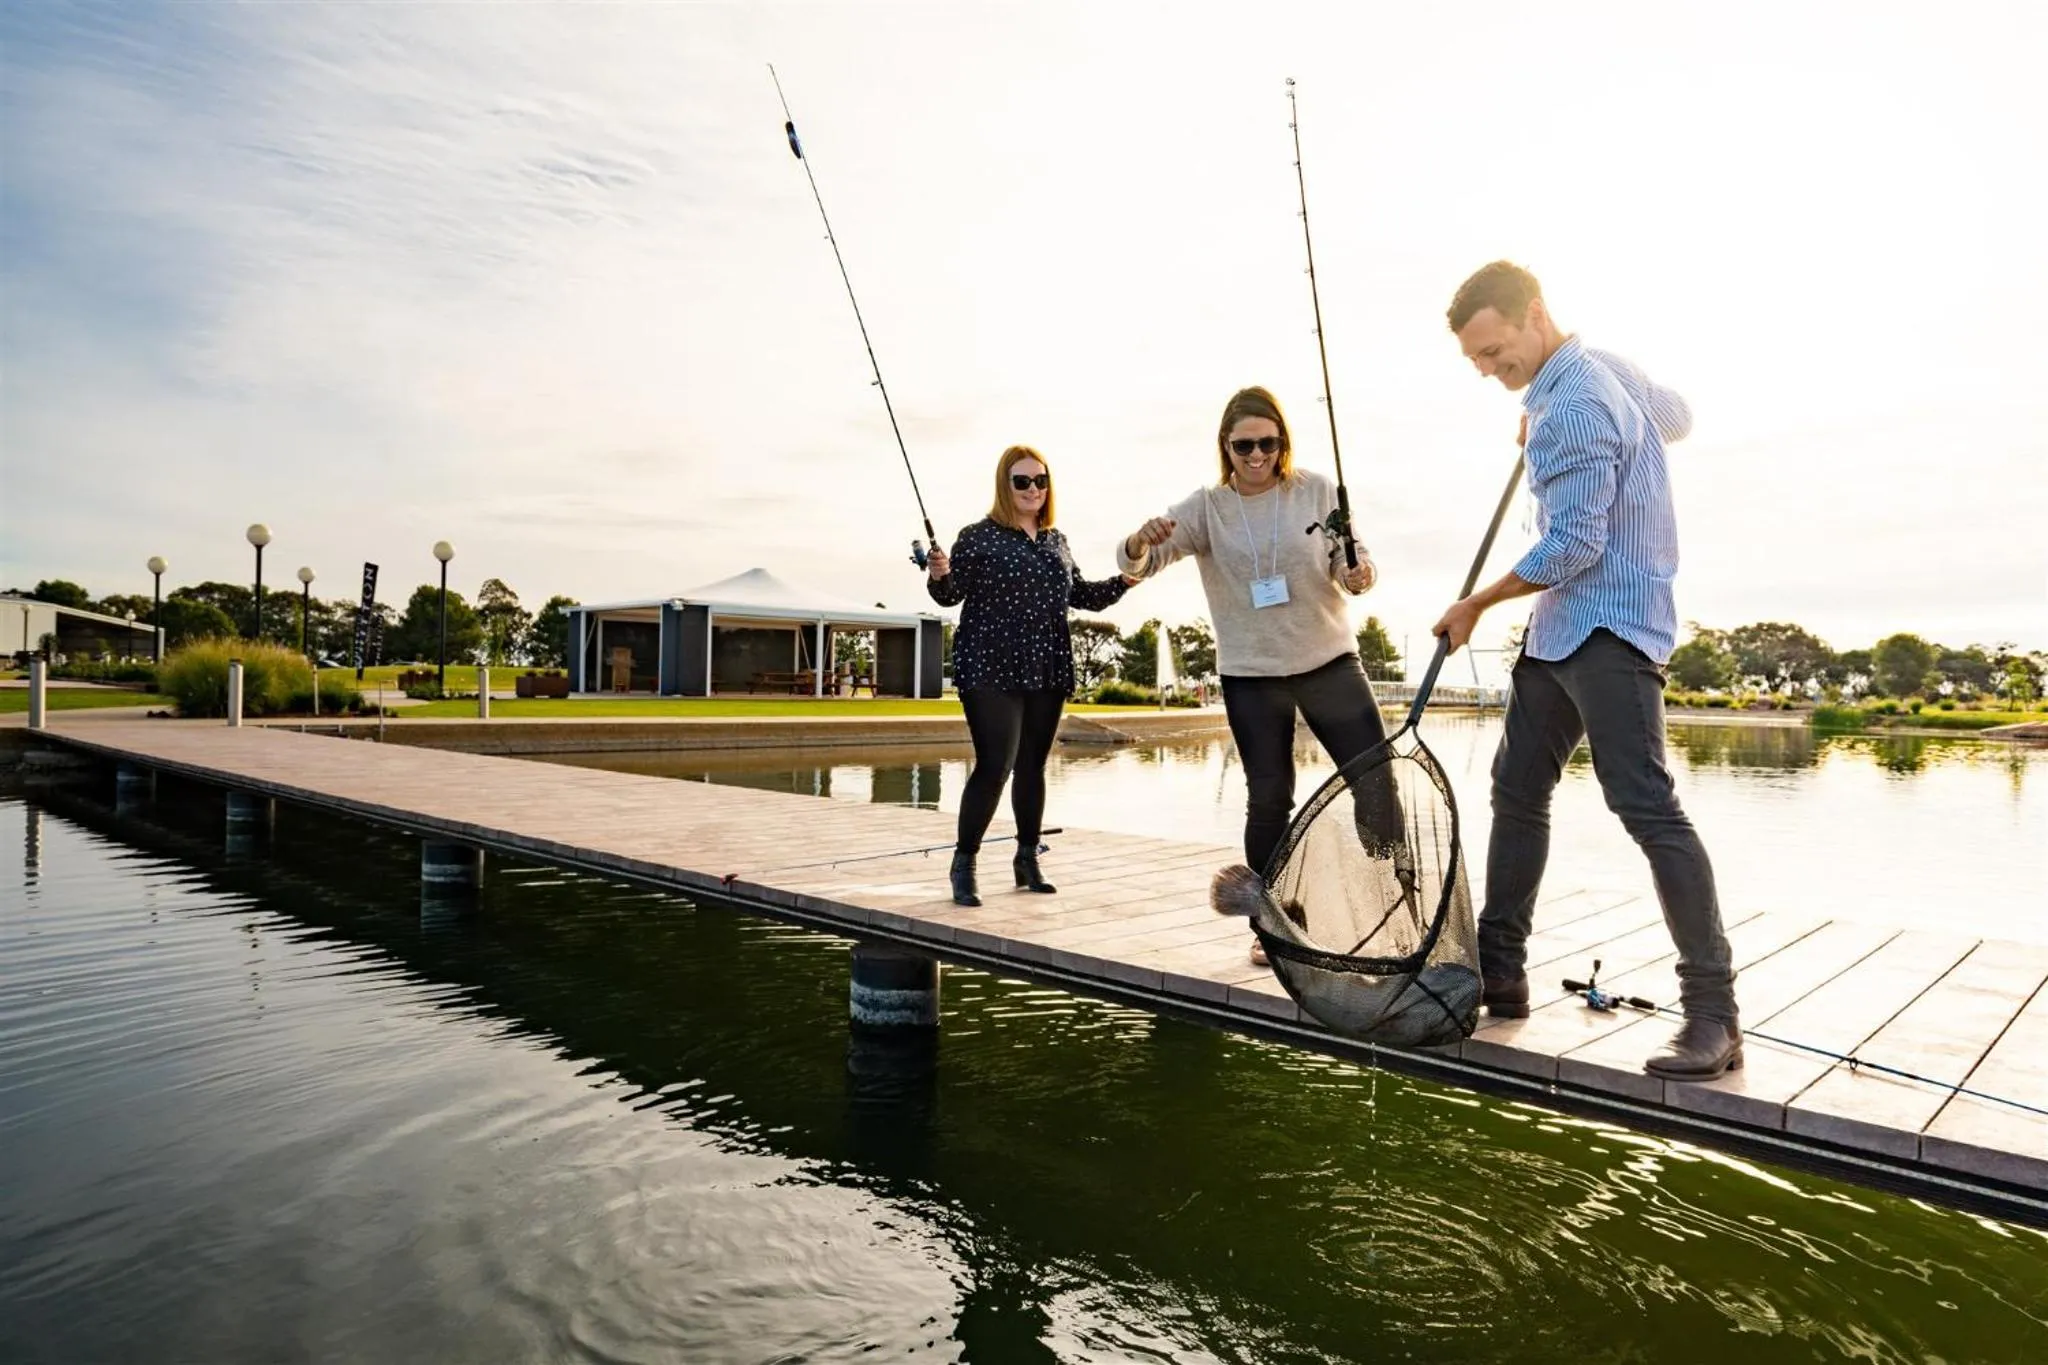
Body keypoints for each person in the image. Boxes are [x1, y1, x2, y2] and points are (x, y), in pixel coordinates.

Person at [1431, 260, 1740, 1081]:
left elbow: (1574, 545)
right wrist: (1551, 409)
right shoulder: (1600, 374)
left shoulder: (1571, 403)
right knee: (1516, 788)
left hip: (1611, 624)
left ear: (1534, 314)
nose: (1496, 375)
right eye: (1482, 366)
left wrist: (1476, 603)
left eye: (1500, 354)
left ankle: (1714, 1014)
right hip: (1559, 629)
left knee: (1645, 803)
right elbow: (1678, 416)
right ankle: (1501, 972)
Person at [1117, 386, 1386, 966]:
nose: (1257, 454)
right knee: (1269, 799)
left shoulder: (1316, 490)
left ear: (1282, 442)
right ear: (1226, 446)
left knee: (1377, 781)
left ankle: (1394, 897)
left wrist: (1359, 573)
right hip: (1251, 674)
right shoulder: (1207, 508)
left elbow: (1352, 563)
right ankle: (1275, 923)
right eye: (1244, 445)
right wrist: (1139, 543)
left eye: (1268, 442)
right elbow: (1139, 561)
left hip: (1328, 662)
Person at [926, 445, 1137, 906]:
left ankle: (1027, 859)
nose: (1033, 489)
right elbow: (949, 595)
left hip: (1047, 664)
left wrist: (1126, 580)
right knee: (995, 764)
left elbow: (1082, 593)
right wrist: (938, 575)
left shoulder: (1056, 540)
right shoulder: (977, 536)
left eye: (1040, 480)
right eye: (1022, 481)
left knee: (1033, 766)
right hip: (988, 664)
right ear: (1005, 484)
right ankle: (964, 864)